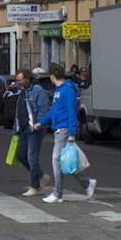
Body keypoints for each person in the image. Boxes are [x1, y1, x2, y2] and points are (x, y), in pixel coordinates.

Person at [35, 63, 96, 203]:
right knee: (65, 162)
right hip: (59, 129)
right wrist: (42, 122)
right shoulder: (59, 90)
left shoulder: (67, 90)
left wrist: (71, 133)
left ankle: (58, 193)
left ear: (52, 76)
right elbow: (53, 111)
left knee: (56, 160)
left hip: (63, 130)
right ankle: (86, 183)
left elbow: (71, 112)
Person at [13, 69, 50, 197]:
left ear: (27, 79)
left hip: (34, 129)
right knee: (20, 155)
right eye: (17, 80)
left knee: (32, 158)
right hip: (23, 129)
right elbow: (19, 111)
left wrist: (38, 124)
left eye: (20, 80)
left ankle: (35, 186)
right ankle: (41, 176)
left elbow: (43, 109)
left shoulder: (38, 90)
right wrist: (16, 129)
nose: (18, 82)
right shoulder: (22, 91)